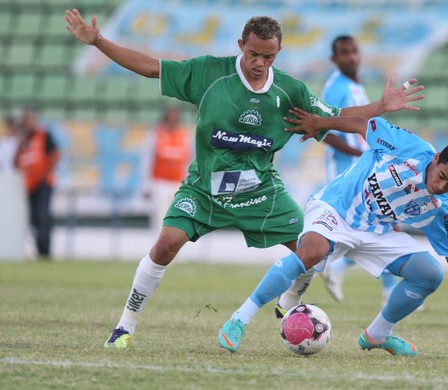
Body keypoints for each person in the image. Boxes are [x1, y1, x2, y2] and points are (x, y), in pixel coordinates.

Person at [64, 9, 425, 349]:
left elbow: (336, 116)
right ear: (241, 46)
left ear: (278, 53)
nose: (259, 63)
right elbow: (149, 68)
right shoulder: (209, 74)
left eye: (268, 57)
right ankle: (125, 324)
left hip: (261, 189)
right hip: (205, 188)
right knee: (164, 245)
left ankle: (289, 301)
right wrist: (98, 42)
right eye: (253, 54)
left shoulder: (289, 92)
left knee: (316, 251)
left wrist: (380, 106)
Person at [218, 109, 448, 356]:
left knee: (430, 274)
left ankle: (378, 335)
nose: (442, 186)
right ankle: (239, 320)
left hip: (375, 231)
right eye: (442, 177)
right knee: (310, 253)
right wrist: (320, 124)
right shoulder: (409, 147)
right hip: (337, 208)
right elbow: (363, 124)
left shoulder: (440, 206)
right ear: (435, 159)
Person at [317, 35, 397, 305]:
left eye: (354, 51)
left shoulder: (355, 87)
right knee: (378, 226)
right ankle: (331, 267)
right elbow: (322, 130)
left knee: (383, 225)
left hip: (363, 167)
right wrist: (358, 153)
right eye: (344, 53)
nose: (351, 57)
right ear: (334, 59)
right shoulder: (335, 87)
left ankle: (340, 269)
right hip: (345, 169)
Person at [13, 108, 61, 259]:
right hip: (29, 185)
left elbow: (55, 155)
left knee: (42, 216)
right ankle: (40, 250)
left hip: (43, 183)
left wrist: (45, 175)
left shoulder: (44, 135)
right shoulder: (23, 140)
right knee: (34, 218)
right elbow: (15, 162)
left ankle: (45, 251)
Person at [143, 106, 192, 236]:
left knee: (178, 220)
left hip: (178, 183)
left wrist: (188, 185)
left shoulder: (183, 135)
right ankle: (157, 252)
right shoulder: (156, 134)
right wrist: (146, 185)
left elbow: (188, 161)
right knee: (159, 218)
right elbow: (147, 160)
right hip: (160, 182)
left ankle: (175, 253)